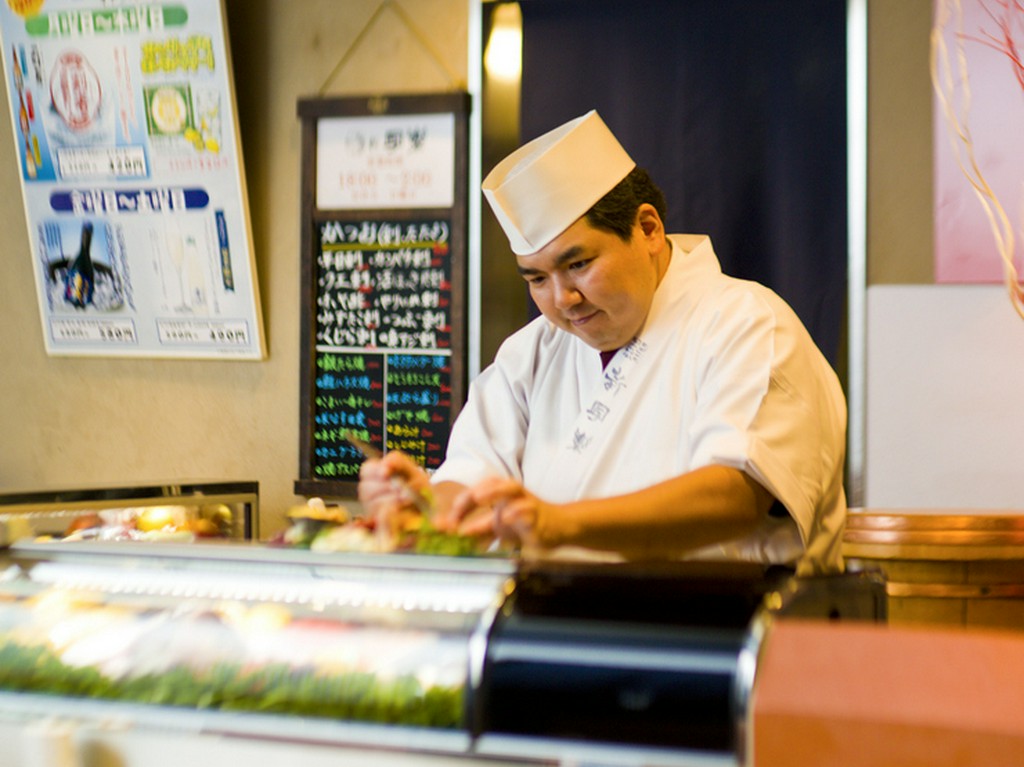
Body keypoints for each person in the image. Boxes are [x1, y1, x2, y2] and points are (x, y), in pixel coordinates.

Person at [359, 110, 847, 575]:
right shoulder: (529, 354)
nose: (562, 299)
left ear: (648, 229)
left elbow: (735, 496)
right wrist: (423, 510)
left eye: (578, 265)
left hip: (730, 634)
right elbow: (470, 483)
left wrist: (559, 523)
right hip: (559, 628)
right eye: (536, 279)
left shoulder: (746, 323)